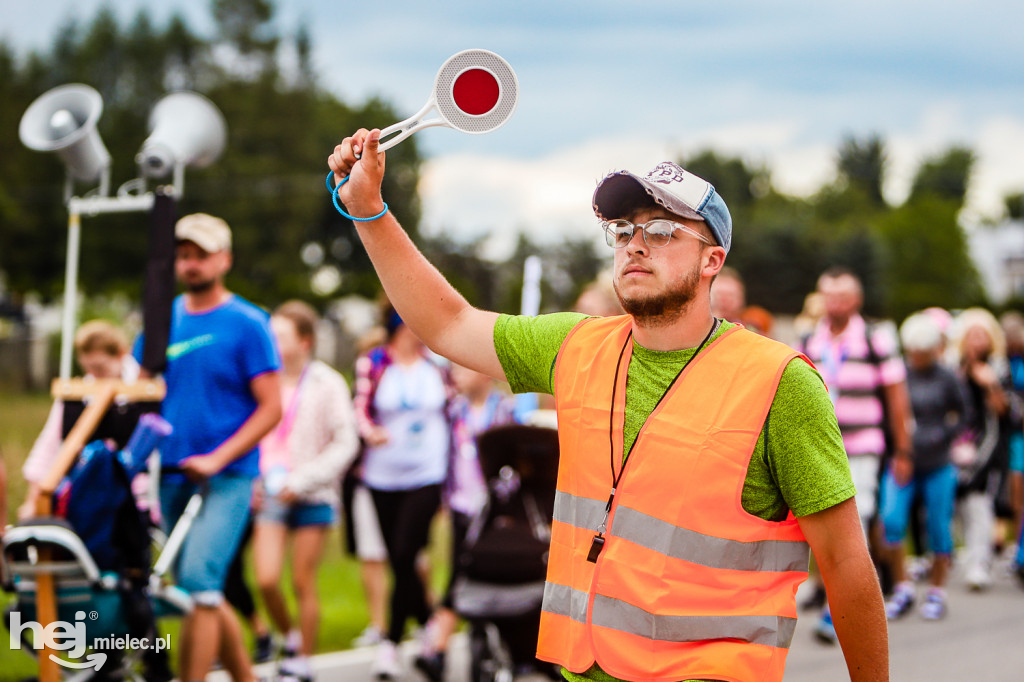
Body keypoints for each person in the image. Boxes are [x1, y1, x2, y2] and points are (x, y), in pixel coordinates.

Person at [328, 132, 888, 682]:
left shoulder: (779, 383)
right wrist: (370, 211)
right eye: (623, 230)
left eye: (664, 229)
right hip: (583, 670)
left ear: (713, 258)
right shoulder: (577, 346)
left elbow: (843, 564)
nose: (636, 243)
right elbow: (448, 323)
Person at [139, 213, 282, 682]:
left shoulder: (248, 323)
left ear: (224, 259)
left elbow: (270, 408)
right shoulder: (163, 319)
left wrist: (219, 457)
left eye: (201, 254)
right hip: (173, 472)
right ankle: (247, 676)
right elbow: (142, 388)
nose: (191, 264)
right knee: (199, 589)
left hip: (228, 476)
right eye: (184, 255)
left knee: (200, 584)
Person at [798, 266, 912, 640]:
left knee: (856, 520)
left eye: (843, 296)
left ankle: (839, 612)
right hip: (821, 446)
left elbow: (897, 399)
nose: (835, 304)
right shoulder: (809, 340)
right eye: (829, 296)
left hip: (863, 445)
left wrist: (904, 451)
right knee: (818, 522)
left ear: (856, 300)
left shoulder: (876, 339)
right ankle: (833, 593)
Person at [252, 300, 359, 682]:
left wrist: (304, 480)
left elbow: (346, 443)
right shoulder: (262, 380)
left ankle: (302, 660)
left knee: (302, 580)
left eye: (280, 335)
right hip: (270, 489)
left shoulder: (327, 382)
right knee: (266, 578)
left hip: (313, 492)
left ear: (305, 341)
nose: (272, 342)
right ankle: (289, 636)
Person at [352, 305, 454, 679]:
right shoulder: (374, 363)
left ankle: (390, 643)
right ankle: (427, 620)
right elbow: (359, 409)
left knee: (403, 552)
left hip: (427, 474)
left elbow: (452, 412)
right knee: (401, 563)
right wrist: (369, 432)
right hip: (382, 476)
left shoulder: (437, 366)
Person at [415, 363, 517, 680]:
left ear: (484, 372)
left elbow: (515, 461)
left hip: (493, 512)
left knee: (470, 577)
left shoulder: (504, 411)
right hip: (461, 508)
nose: (456, 376)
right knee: (460, 574)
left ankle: (441, 648)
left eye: (464, 369)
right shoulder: (454, 412)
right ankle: (440, 648)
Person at [879, 312, 966, 620]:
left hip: (938, 463)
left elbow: (964, 414)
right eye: (914, 352)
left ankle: (937, 591)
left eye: (924, 353)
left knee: (938, 527)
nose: (918, 358)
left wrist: (945, 434)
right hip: (904, 461)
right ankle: (903, 587)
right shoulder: (898, 373)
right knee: (890, 521)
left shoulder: (947, 376)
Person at [19, 320, 140, 520]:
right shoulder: (76, 397)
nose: (93, 375)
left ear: (120, 355)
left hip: (128, 497)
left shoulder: (141, 395)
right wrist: (33, 500)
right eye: (88, 368)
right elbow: (48, 446)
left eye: (100, 368)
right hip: (80, 492)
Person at [952, 307, 1018, 590]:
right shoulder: (954, 369)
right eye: (972, 335)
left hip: (990, 449)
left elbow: (1007, 412)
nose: (977, 340)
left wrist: (990, 384)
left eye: (982, 335)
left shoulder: (1000, 369)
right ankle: (972, 555)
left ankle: (980, 562)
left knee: (982, 504)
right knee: (965, 505)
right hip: (959, 447)